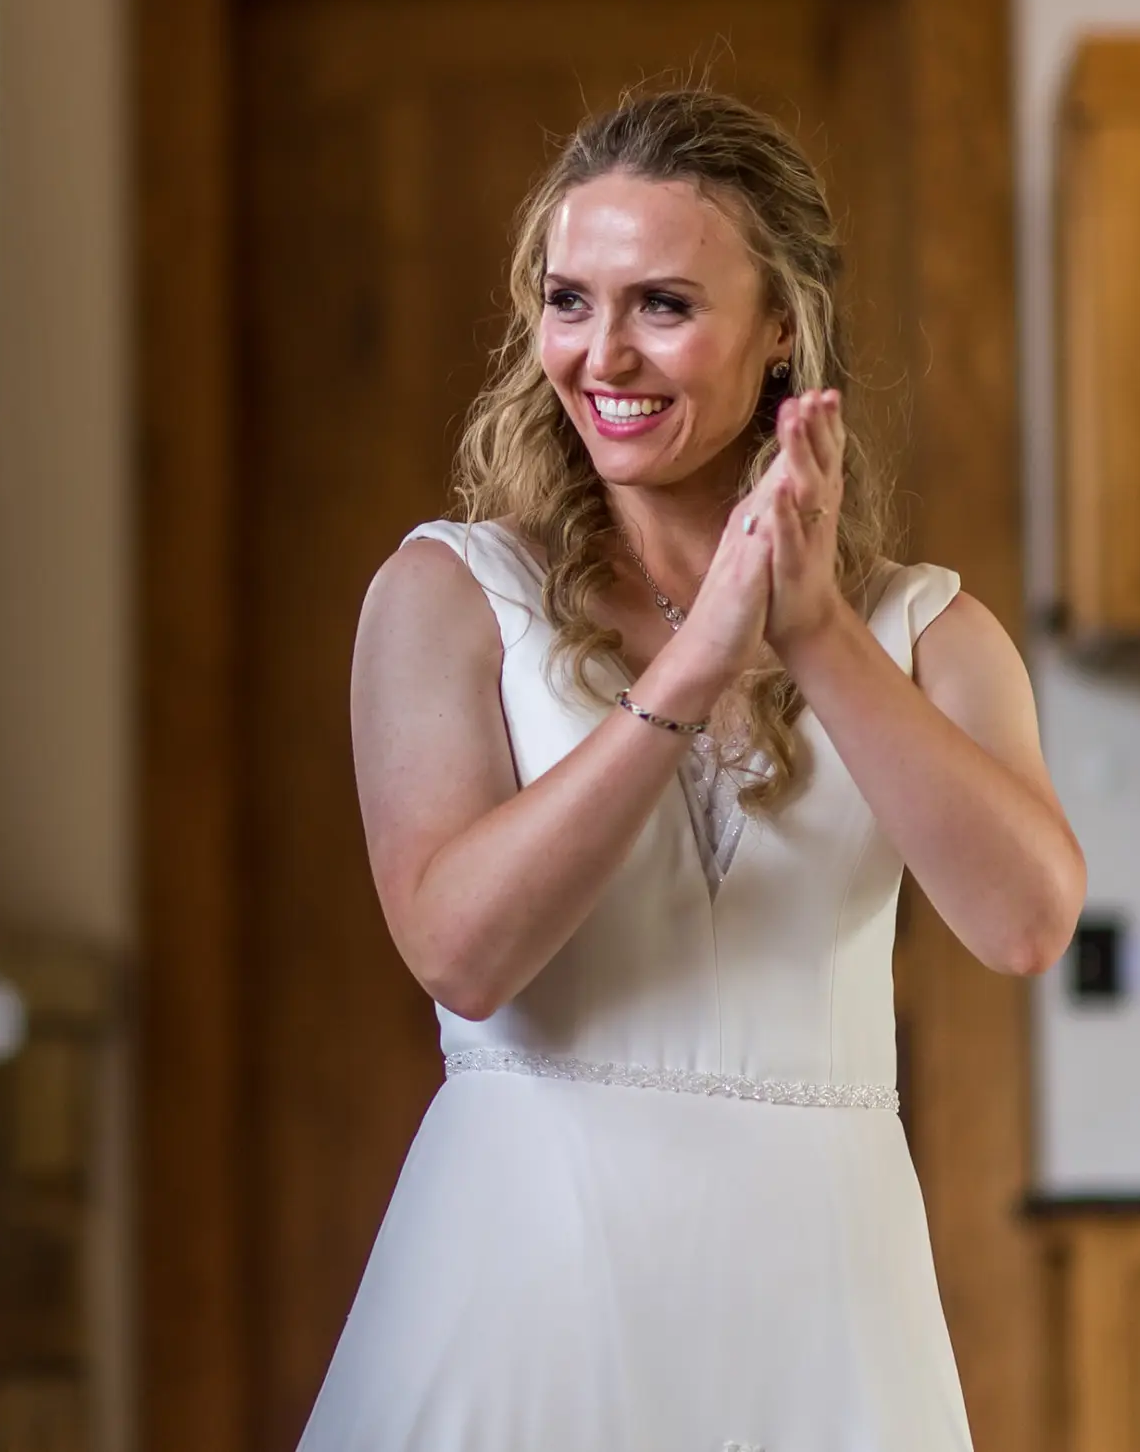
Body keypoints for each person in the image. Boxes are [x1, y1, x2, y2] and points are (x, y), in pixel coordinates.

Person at [298, 89, 1085, 1450]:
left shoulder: (930, 634)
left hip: (824, 1300)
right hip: (525, 1274)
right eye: (568, 300)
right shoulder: (450, 597)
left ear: (783, 328)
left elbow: (1026, 923)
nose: (604, 354)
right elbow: (461, 954)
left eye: (663, 304)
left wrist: (817, 632)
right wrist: (690, 666)